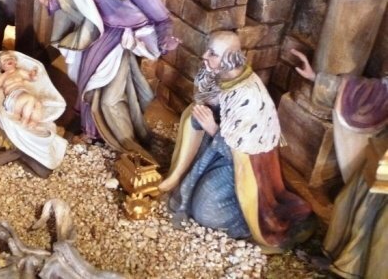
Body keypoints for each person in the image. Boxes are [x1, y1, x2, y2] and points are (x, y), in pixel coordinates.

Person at [160, 31, 313, 253]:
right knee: (188, 190)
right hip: (218, 150)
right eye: (208, 50)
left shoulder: (248, 96)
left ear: (229, 59)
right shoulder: (223, 75)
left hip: (242, 167)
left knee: (206, 212)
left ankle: (248, 217)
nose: (205, 56)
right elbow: (207, 100)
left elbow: (242, 153)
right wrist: (207, 117)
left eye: (212, 53)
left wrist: (212, 128)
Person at [33, 0, 180, 161]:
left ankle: (123, 138)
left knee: (108, 96)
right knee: (85, 84)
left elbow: (163, 20)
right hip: (95, 35)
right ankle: (89, 130)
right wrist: (50, 1)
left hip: (120, 44)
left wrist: (165, 39)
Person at [291, 49, 387, 279]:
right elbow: (377, 92)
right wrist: (319, 79)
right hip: (383, 159)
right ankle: (339, 259)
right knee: (349, 201)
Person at [0, 51, 42, 128]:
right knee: (31, 99)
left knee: (38, 104)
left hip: (23, 95)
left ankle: (33, 122)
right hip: (13, 98)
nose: (8, 60)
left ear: (15, 62)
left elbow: (31, 78)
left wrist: (33, 75)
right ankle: (24, 121)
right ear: (1, 67)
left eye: (11, 58)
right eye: (5, 60)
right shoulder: (4, 76)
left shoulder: (19, 71)